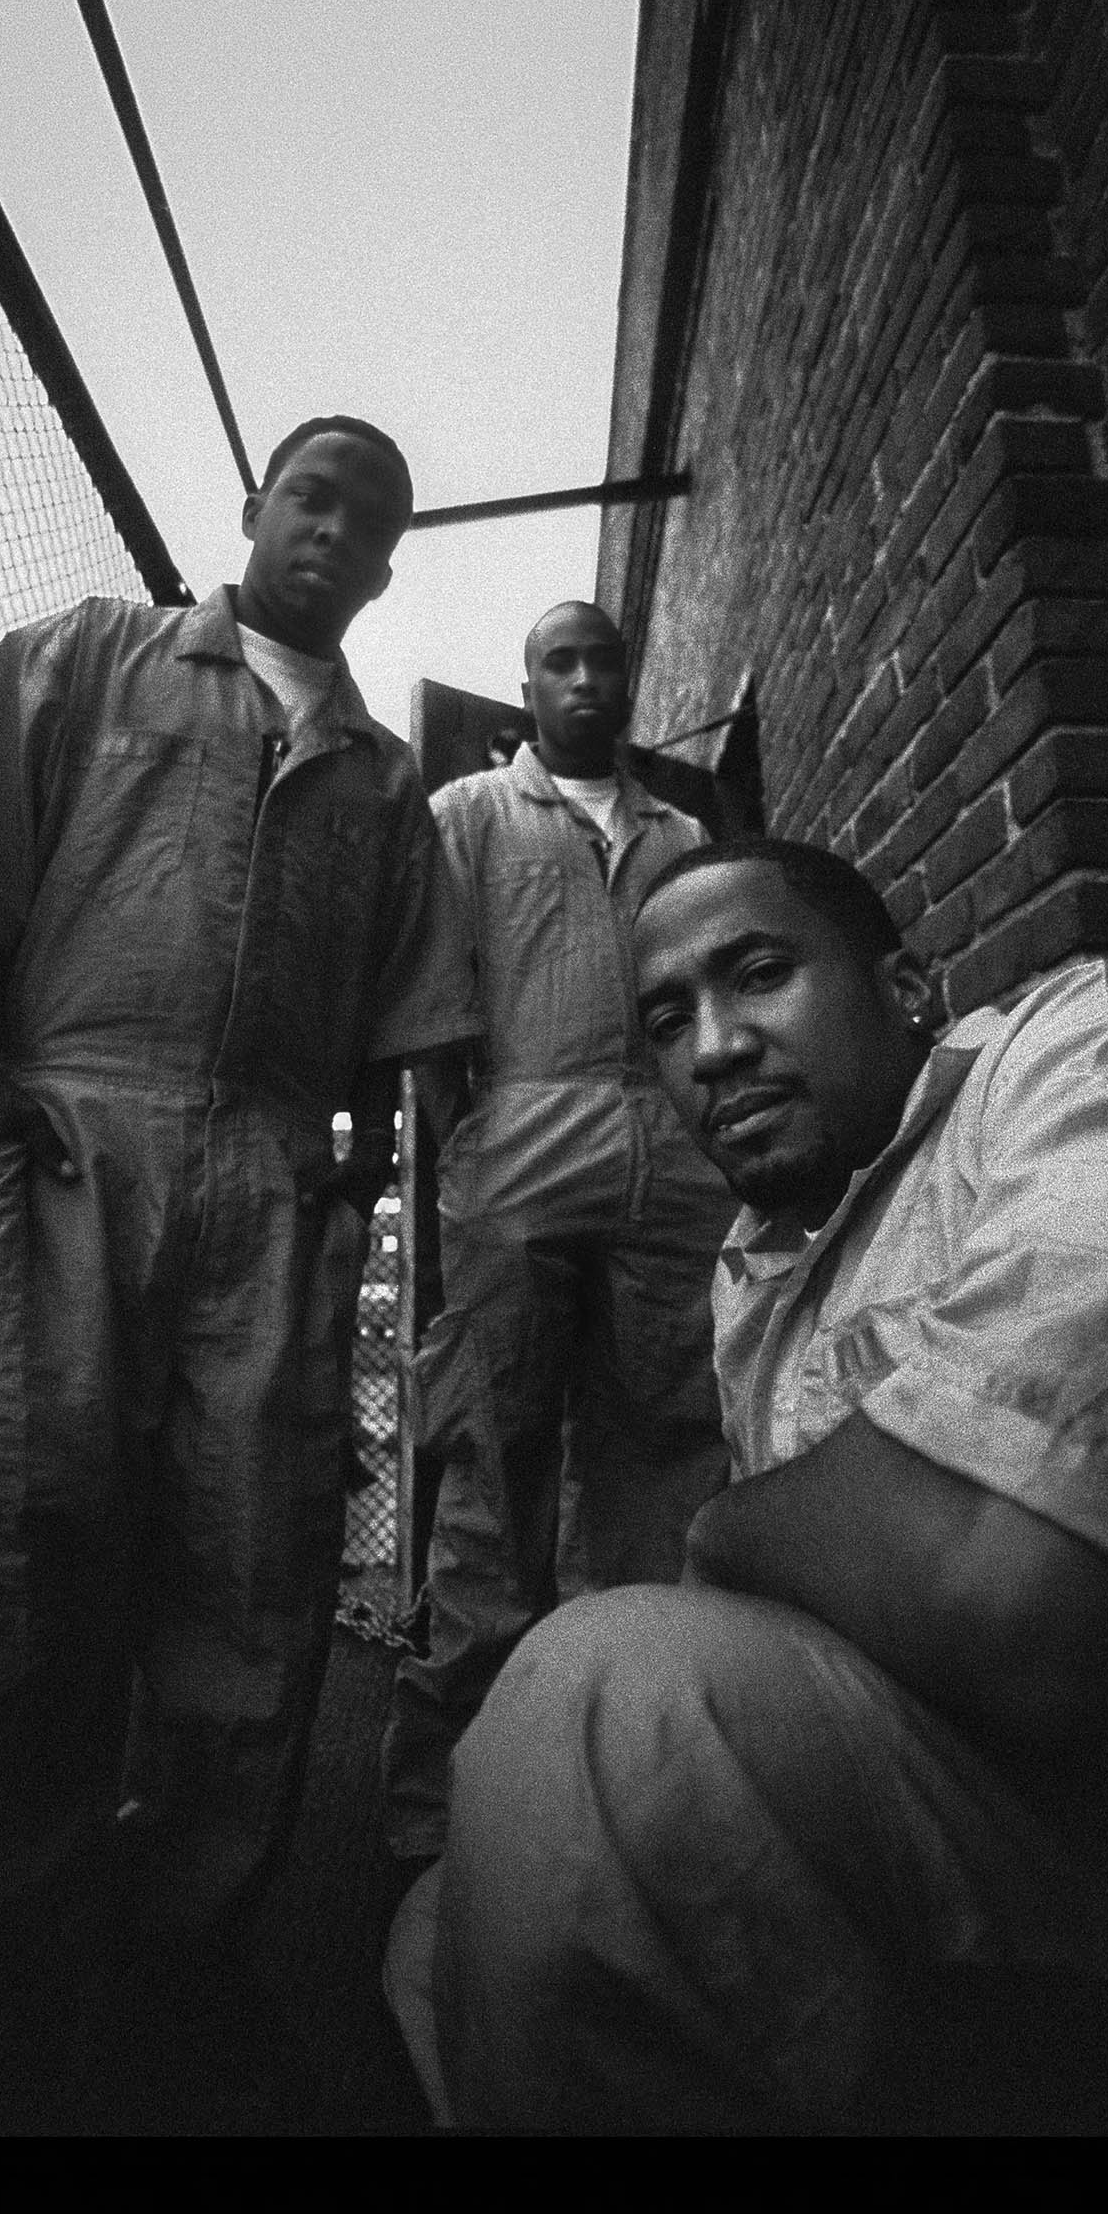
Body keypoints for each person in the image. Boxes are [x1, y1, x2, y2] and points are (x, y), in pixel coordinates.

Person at [431, 840, 1108, 2134]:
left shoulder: (1083, 1049)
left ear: (905, 990)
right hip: (957, 1815)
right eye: (667, 1022)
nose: (711, 1049)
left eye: (758, 974)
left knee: (601, 1710)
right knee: (444, 1910)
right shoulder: (758, 1259)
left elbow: (1015, 1583)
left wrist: (724, 1531)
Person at [0, 418, 481, 2117]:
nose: (334, 532)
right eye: (312, 496)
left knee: (247, 1561)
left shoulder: (381, 776)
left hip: (269, 1192)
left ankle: (180, 1943)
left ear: (391, 564)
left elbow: (395, 1020)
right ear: (258, 510)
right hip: (61, 1143)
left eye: (372, 520)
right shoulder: (93, 656)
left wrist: (342, 1164)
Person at [378, 604, 739, 1878]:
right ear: (524, 686)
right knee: (492, 1460)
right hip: (521, 1148)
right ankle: (439, 1818)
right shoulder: (468, 816)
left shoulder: (684, 836)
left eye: (605, 662)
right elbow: (427, 1000)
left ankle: (636, 1795)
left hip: (675, 1166)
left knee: (669, 1453)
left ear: (630, 682)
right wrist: (463, 1149)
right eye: (560, 662)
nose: (586, 681)